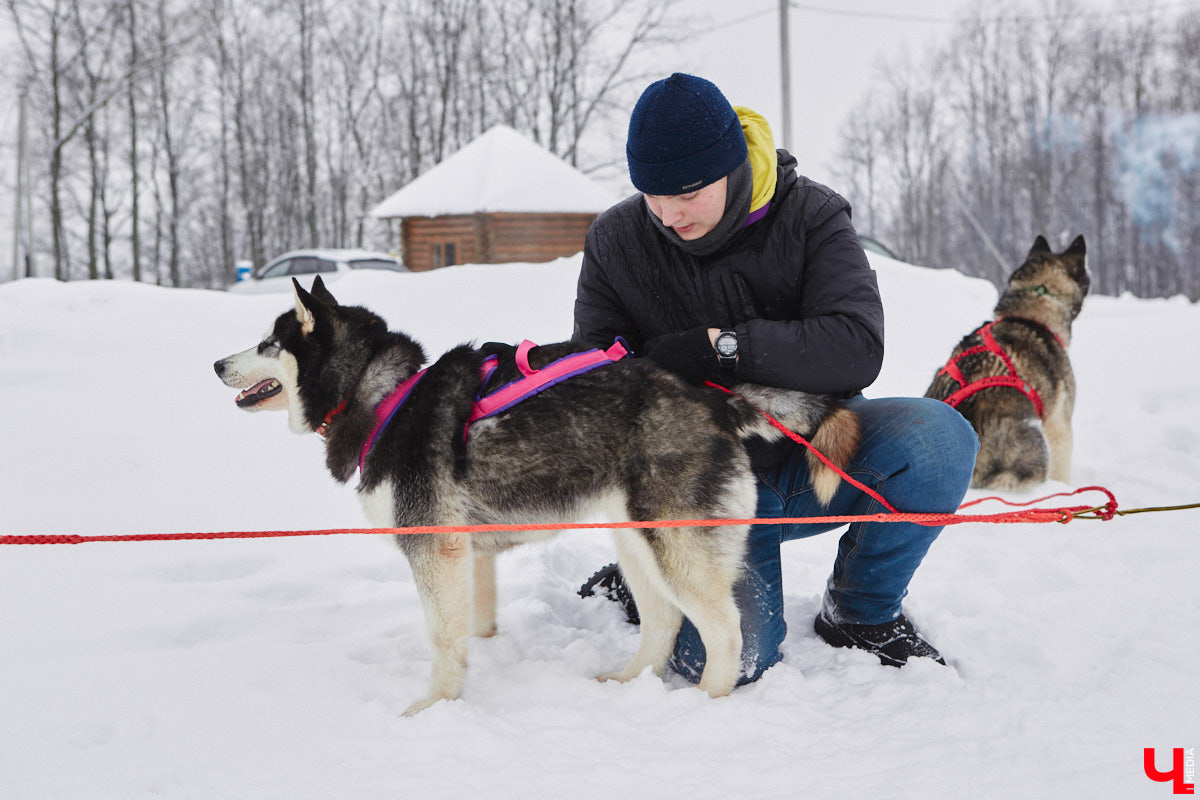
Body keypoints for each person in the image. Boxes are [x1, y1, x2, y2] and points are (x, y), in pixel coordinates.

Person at [574, 73, 979, 683]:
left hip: (810, 456)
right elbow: (595, 378)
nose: (668, 214)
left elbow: (856, 346)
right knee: (733, 663)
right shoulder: (617, 240)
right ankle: (649, 575)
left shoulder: (811, 215)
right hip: (698, 489)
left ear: (729, 167)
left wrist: (724, 348)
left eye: (687, 193)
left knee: (938, 438)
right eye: (652, 194)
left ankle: (860, 613)